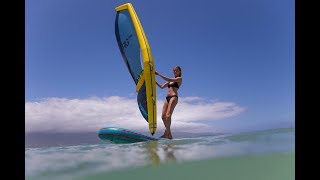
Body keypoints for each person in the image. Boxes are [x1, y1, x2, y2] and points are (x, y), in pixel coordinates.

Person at [155, 66, 182, 139]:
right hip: (167, 98)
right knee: (163, 116)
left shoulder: (179, 79)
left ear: (179, 71)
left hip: (174, 97)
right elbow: (162, 86)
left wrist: (159, 74)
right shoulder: (170, 81)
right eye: (174, 71)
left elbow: (169, 79)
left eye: (176, 71)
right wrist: (154, 81)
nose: (175, 72)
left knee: (168, 115)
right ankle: (169, 134)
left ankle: (166, 133)